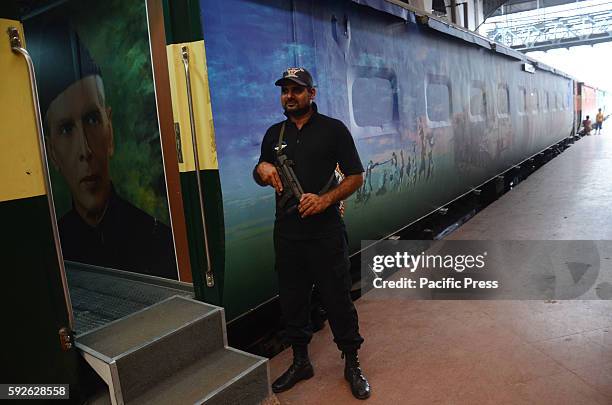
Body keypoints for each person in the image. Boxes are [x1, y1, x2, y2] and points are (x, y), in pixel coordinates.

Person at [254, 68, 371, 399]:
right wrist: (260, 169)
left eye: (296, 90)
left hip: (326, 232)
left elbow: (355, 176)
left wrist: (325, 200)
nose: (289, 96)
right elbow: (261, 170)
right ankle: (301, 362)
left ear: (312, 94)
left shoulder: (333, 131)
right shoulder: (274, 135)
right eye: (285, 91)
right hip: (288, 234)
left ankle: (352, 363)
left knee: (337, 300)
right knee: (292, 300)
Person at [39, 27, 177, 279]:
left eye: (92, 119)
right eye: (66, 129)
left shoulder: (159, 241)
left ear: (109, 131)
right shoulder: (52, 255)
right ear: (52, 153)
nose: (85, 150)